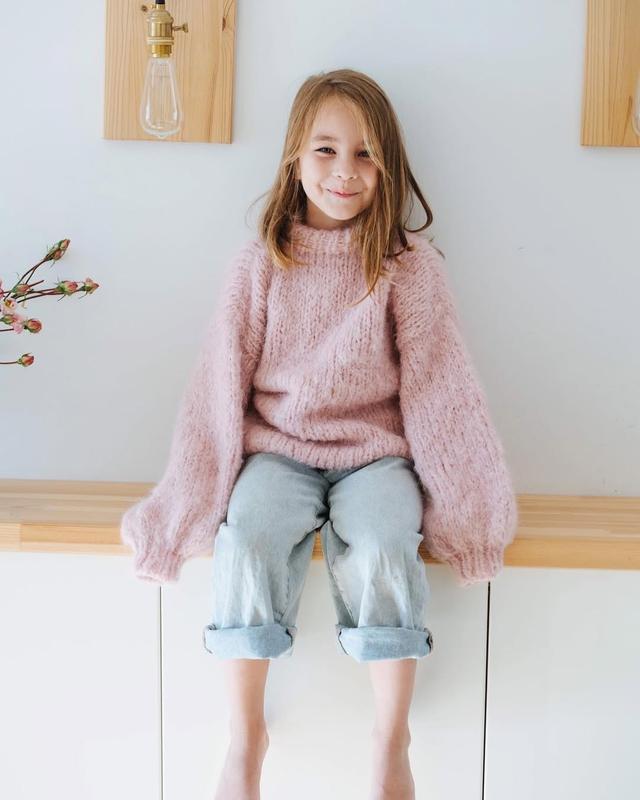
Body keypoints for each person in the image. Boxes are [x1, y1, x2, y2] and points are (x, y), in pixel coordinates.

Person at [120, 68, 519, 800]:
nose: (345, 170)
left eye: (366, 153)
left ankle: (391, 738)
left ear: (388, 165)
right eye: (326, 150)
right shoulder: (260, 264)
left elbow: (442, 393)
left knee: (385, 542)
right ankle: (246, 737)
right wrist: (178, 520)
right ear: (294, 158)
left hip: (376, 457)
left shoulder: (408, 268)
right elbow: (216, 389)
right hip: (277, 451)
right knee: (249, 538)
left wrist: (470, 524)